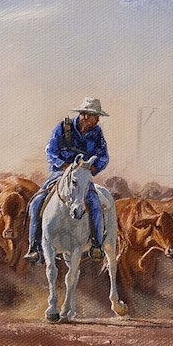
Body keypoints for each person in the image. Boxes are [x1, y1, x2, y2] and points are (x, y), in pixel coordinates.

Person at [23, 96, 110, 265]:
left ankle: (96, 245)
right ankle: (34, 248)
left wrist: (93, 167)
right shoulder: (64, 128)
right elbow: (51, 152)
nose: (98, 120)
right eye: (95, 116)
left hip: (82, 175)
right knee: (36, 203)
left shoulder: (97, 133)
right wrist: (64, 166)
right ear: (85, 116)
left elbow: (104, 157)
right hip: (60, 173)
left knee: (94, 203)